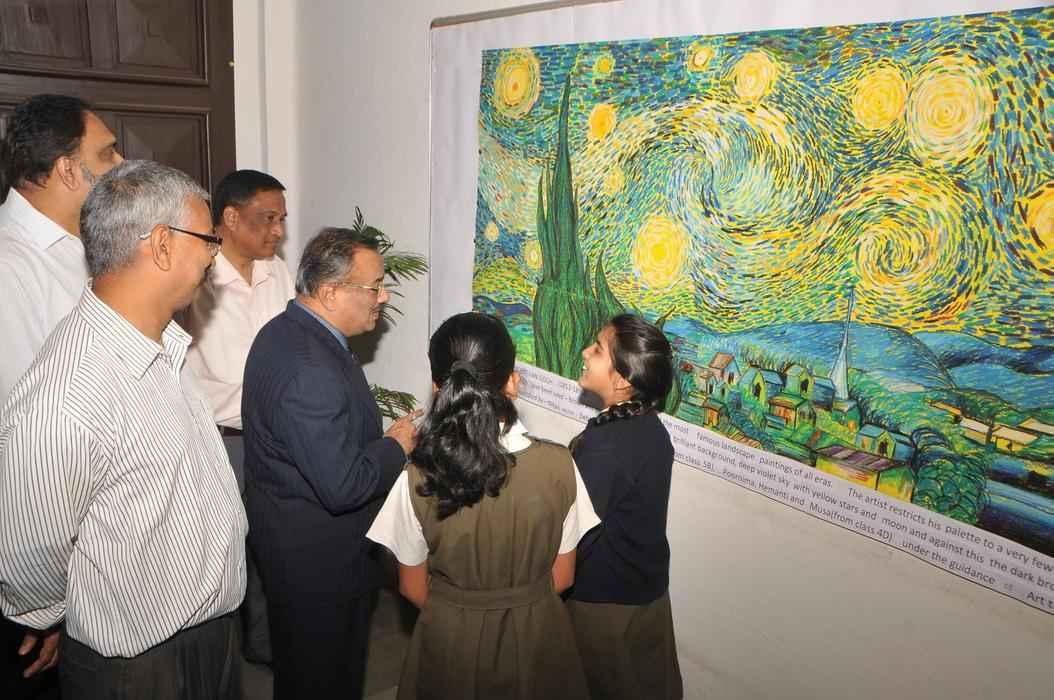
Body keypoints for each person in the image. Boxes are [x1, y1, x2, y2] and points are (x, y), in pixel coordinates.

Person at [0, 160, 247, 699]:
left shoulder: (162, 347)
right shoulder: (68, 393)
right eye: (208, 239)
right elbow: (29, 556)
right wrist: (57, 614)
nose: (215, 254)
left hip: (212, 639)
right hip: (138, 669)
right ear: (161, 245)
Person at [367, 311, 599, 700]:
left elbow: (411, 585)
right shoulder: (560, 466)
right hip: (538, 640)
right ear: (513, 382)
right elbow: (562, 576)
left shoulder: (417, 477)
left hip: (450, 643)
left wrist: (464, 613)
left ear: (438, 387)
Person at [241, 226, 418, 700]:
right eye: (374, 286)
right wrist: (396, 445)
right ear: (330, 292)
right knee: (321, 677)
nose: (383, 296)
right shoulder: (308, 367)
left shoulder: (288, 332)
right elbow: (343, 484)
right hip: (319, 565)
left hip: (299, 547)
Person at [0, 93, 122, 699]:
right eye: (107, 153)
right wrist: (45, 599)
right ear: (69, 170)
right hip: (46, 556)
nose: (119, 164)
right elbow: (28, 445)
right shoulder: (10, 268)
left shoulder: (84, 250)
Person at [182, 169, 294, 664]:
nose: (278, 231)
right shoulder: (196, 273)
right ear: (230, 217)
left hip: (275, 436)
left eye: (282, 219)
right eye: (268, 218)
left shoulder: (278, 272)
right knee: (223, 547)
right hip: (219, 438)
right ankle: (220, 649)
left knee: (272, 540)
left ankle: (266, 645)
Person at [566, 313, 684, 700]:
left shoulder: (606, 446)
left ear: (621, 380)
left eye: (598, 350)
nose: (585, 352)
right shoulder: (648, 428)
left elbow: (573, 534)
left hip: (606, 608)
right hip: (643, 596)